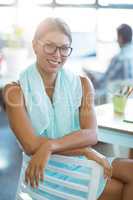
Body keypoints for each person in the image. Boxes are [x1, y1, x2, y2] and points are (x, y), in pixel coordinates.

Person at [3, 18, 133, 200]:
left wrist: (50, 145)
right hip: (44, 172)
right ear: (35, 46)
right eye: (50, 46)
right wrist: (84, 150)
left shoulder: (82, 84)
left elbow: (91, 135)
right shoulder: (15, 91)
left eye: (64, 48)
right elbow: (31, 145)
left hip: (78, 162)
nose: (57, 55)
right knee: (123, 188)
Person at [85, 23, 133, 90]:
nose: (117, 40)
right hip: (128, 95)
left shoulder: (119, 58)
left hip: (112, 95)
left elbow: (104, 82)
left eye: (117, 37)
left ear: (121, 38)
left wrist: (91, 76)